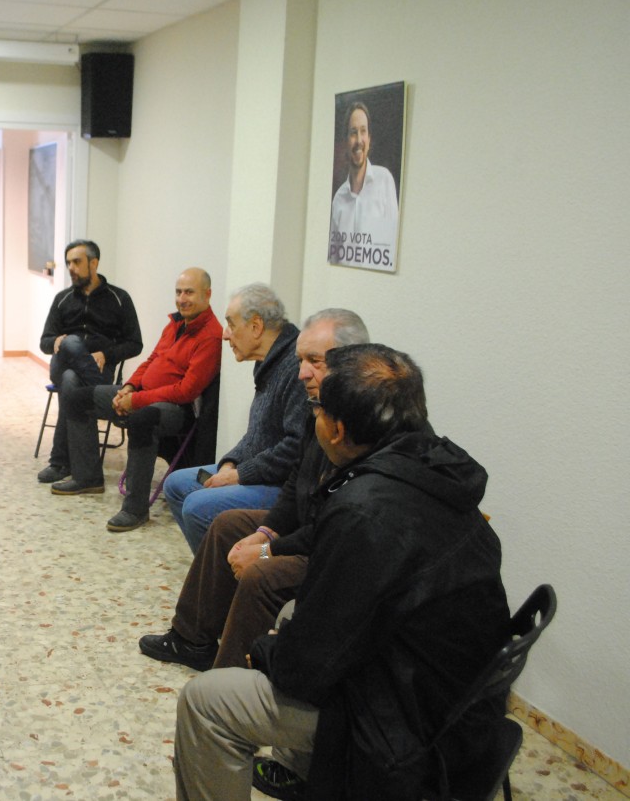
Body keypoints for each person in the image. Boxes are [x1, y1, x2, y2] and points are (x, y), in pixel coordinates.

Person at [173, 344, 508, 801]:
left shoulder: (363, 511)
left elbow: (307, 669)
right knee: (286, 615)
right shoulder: (440, 470)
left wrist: (264, 650)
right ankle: (300, 770)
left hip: (406, 725)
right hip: (457, 695)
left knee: (206, 701)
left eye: (317, 409)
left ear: (338, 429)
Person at [138, 309, 369, 672]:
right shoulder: (319, 407)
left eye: (315, 361)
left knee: (258, 570)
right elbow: (296, 480)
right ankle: (191, 639)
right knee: (225, 525)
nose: (303, 372)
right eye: (301, 360)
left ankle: (228, 678)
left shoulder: (364, 425)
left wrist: (266, 550)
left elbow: (332, 526)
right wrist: (264, 530)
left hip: (334, 548)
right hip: (306, 523)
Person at [50, 268, 221, 533]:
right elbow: (151, 361)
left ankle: (135, 509)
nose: (182, 299)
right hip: (142, 394)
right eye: (178, 292)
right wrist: (129, 387)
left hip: (176, 410)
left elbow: (186, 391)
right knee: (77, 398)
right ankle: (87, 477)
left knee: (142, 419)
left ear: (207, 295)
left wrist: (137, 400)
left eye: (189, 292)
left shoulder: (210, 335)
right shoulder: (174, 324)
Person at [162, 283, 307, 553]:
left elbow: (295, 449)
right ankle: (214, 567)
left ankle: (223, 572)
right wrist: (230, 463)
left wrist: (239, 475)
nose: (225, 334)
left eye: (231, 324)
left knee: (196, 506)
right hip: (260, 472)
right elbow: (256, 435)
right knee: (175, 484)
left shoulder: (295, 368)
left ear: (256, 326)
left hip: (284, 487)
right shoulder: (268, 361)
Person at [36, 239, 143, 484]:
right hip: (67, 366)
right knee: (72, 343)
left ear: (93, 263)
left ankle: (61, 462)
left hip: (99, 368)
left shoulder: (119, 298)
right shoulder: (62, 299)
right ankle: (104, 396)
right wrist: (57, 341)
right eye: (68, 263)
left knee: (71, 382)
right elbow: (44, 342)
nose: (71, 268)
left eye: (76, 262)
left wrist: (107, 355)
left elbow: (135, 343)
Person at [328, 102, 399, 267]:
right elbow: (334, 261)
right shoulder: (338, 199)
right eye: (353, 133)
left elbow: (393, 248)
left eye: (363, 131)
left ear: (369, 138)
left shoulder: (384, 181)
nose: (359, 140)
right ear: (346, 141)